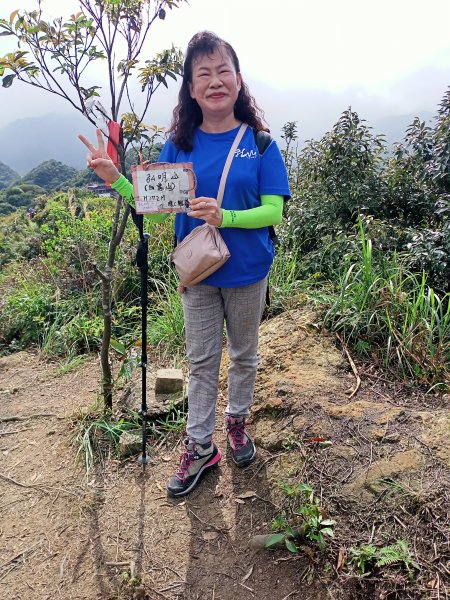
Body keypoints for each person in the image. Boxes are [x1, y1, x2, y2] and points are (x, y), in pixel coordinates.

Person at [79, 31, 291, 498]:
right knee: (200, 362)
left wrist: (227, 216)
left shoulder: (260, 143)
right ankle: (200, 447)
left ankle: (236, 423)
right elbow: (150, 202)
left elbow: (274, 210)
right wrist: (115, 179)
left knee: (244, 355)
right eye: (204, 74)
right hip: (197, 273)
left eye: (223, 72)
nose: (215, 81)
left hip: (248, 271)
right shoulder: (180, 145)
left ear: (238, 80)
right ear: (192, 90)